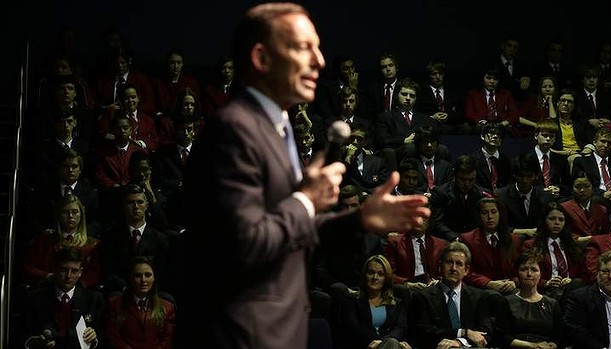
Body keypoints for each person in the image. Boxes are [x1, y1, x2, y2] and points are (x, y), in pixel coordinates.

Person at [173, 3, 430, 349]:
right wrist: (306, 199)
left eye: (318, 47)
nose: (320, 61)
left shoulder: (276, 128)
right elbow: (246, 245)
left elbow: (289, 233)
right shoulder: (234, 131)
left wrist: (361, 219)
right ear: (262, 58)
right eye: (303, 48)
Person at [407, 241, 496, 349]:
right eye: (449, 262)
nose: (453, 268)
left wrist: (459, 342)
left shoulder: (479, 297)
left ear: (466, 270)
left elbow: (485, 332)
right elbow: (423, 332)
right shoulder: (423, 297)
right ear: (440, 266)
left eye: (459, 264)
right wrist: (463, 332)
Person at [23, 246, 103, 349]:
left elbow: (103, 340)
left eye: (74, 271)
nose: (68, 276)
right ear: (55, 269)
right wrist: (35, 343)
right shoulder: (36, 299)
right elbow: (23, 338)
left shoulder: (94, 300)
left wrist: (94, 340)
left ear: (80, 273)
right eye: (64, 270)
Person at [22, 194, 102, 290]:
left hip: (81, 293)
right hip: (47, 289)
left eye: (75, 212)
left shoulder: (92, 244)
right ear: (58, 214)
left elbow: (95, 273)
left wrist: (78, 285)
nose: (70, 216)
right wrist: (47, 276)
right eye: (65, 212)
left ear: (81, 215)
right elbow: (29, 267)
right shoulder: (45, 241)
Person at [337, 254, 412, 349]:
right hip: (364, 345)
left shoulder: (397, 303)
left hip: (389, 344)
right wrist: (378, 341)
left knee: (393, 343)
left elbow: (400, 328)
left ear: (386, 278)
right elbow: (355, 329)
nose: (375, 277)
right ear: (365, 275)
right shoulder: (352, 301)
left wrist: (382, 342)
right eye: (371, 272)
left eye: (380, 274)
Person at [104, 256, 175, 349]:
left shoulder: (167, 307)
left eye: (148, 275)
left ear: (154, 278)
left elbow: (167, 341)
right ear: (130, 278)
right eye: (138, 275)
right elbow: (114, 339)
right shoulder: (115, 305)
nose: (143, 280)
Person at [502, 249, 565, 349]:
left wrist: (552, 346)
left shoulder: (552, 304)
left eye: (534, 270)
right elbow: (504, 338)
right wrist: (532, 346)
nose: (529, 274)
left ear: (541, 274)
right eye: (524, 269)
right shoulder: (507, 302)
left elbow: (558, 337)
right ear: (517, 273)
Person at [459, 197, 521, 295]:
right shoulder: (467, 240)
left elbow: (521, 268)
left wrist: (514, 282)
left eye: (493, 212)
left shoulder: (514, 240)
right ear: (479, 216)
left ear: (500, 214)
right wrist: (488, 283)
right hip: (481, 290)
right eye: (484, 213)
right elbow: (466, 271)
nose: (490, 217)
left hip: (509, 288)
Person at [564, 250, 611, 348]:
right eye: (605, 271)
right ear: (598, 273)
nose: (610, 277)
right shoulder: (580, 298)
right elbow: (576, 330)